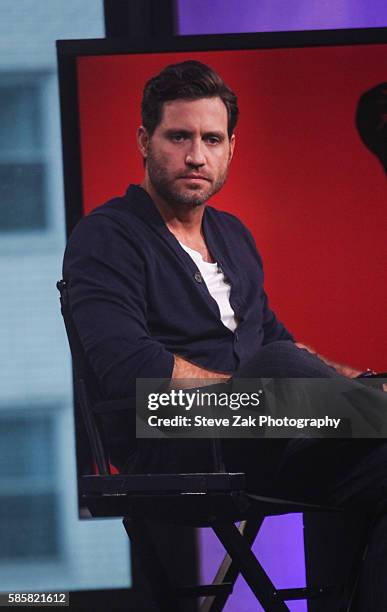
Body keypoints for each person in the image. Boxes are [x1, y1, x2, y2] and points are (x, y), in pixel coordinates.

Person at [63, 60, 387, 607]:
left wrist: (364, 383)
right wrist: (251, 392)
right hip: (170, 432)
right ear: (145, 140)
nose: (196, 155)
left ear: (231, 147)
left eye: (212, 139)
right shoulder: (107, 236)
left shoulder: (233, 235)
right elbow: (126, 370)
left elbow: (276, 338)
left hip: (270, 428)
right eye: (179, 137)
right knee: (280, 368)